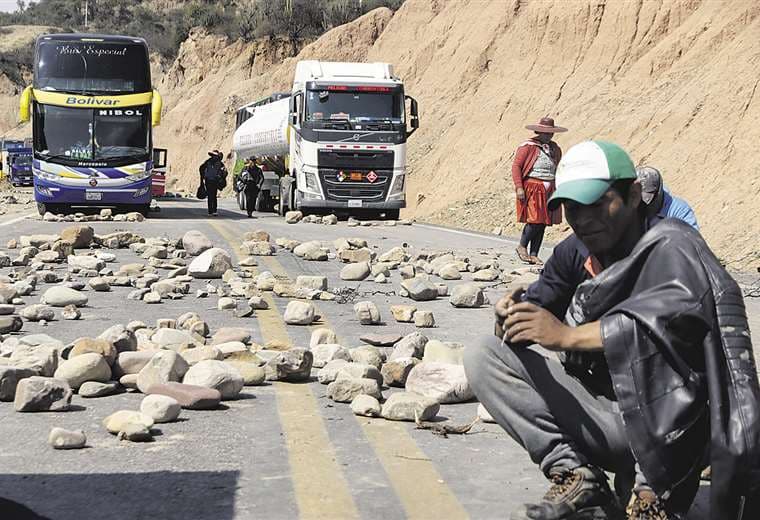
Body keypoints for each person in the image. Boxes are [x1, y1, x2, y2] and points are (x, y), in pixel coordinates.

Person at [464, 140, 760, 520]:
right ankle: (576, 474)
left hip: (674, 431)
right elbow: (538, 310)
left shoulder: (672, 246)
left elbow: (678, 326)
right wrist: (511, 317)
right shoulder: (574, 253)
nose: (585, 219)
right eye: (573, 208)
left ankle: (651, 493)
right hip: (609, 414)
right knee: (485, 355)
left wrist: (568, 336)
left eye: (598, 203)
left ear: (633, 195)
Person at [512, 117, 567, 265]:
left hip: (549, 187)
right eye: (546, 133)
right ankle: (522, 246)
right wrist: (519, 187)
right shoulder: (528, 146)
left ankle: (534, 253)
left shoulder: (554, 148)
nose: (549, 136)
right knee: (534, 219)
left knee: (543, 222)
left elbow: (558, 166)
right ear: (539, 131)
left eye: (551, 133)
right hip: (533, 186)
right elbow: (516, 166)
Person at [635, 165, 699, 229]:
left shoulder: (680, 211)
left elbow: (691, 236)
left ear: (658, 193)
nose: (641, 204)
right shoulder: (630, 206)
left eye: (645, 200)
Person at [199, 150, 227, 216]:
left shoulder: (214, 162)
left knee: (212, 196)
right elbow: (201, 169)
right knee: (212, 196)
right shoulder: (209, 162)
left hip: (213, 181)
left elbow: (224, 172)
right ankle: (212, 211)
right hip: (210, 181)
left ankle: (212, 211)